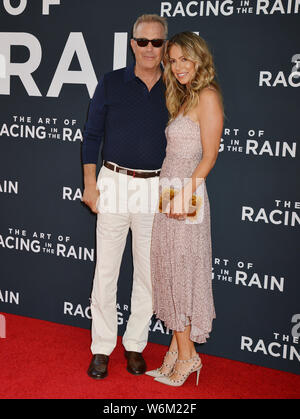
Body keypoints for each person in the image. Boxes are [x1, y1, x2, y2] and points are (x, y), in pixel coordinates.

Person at [81, 14, 168, 379]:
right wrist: (89, 184)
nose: (150, 49)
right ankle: (102, 348)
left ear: (165, 46)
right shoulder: (111, 82)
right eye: (143, 41)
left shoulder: (177, 87)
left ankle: (135, 345)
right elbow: (91, 136)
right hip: (113, 181)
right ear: (133, 44)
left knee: (147, 274)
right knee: (106, 271)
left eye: (157, 42)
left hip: (155, 187)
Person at [146, 32, 224, 387]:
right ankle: (178, 351)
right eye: (172, 60)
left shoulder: (207, 96)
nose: (177, 66)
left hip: (187, 196)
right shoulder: (182, 96)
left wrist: (182, 196)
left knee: (182, 277)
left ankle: (189, 356)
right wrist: (168, 196)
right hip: (169, 193)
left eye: (183, 59)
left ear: (199, 59)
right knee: (169, 275)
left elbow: (209, 156)